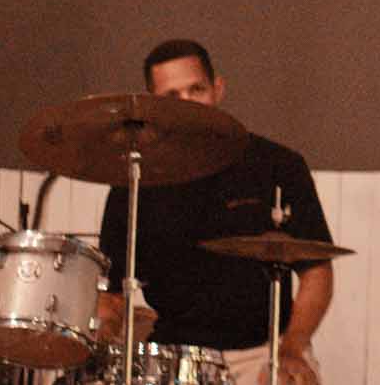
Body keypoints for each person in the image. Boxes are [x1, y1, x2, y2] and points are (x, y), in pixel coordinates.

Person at [97, 40, 333, 385]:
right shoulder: (133, 182)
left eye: (197, 89)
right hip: (173, 357)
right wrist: (102, 333)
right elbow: (112, 296)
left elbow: (317, 273)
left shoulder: (277, 165)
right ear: (154, 105)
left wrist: (293, 347)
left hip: (264, 351)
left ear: (218, 89)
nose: (188, 103)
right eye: (172, 96)